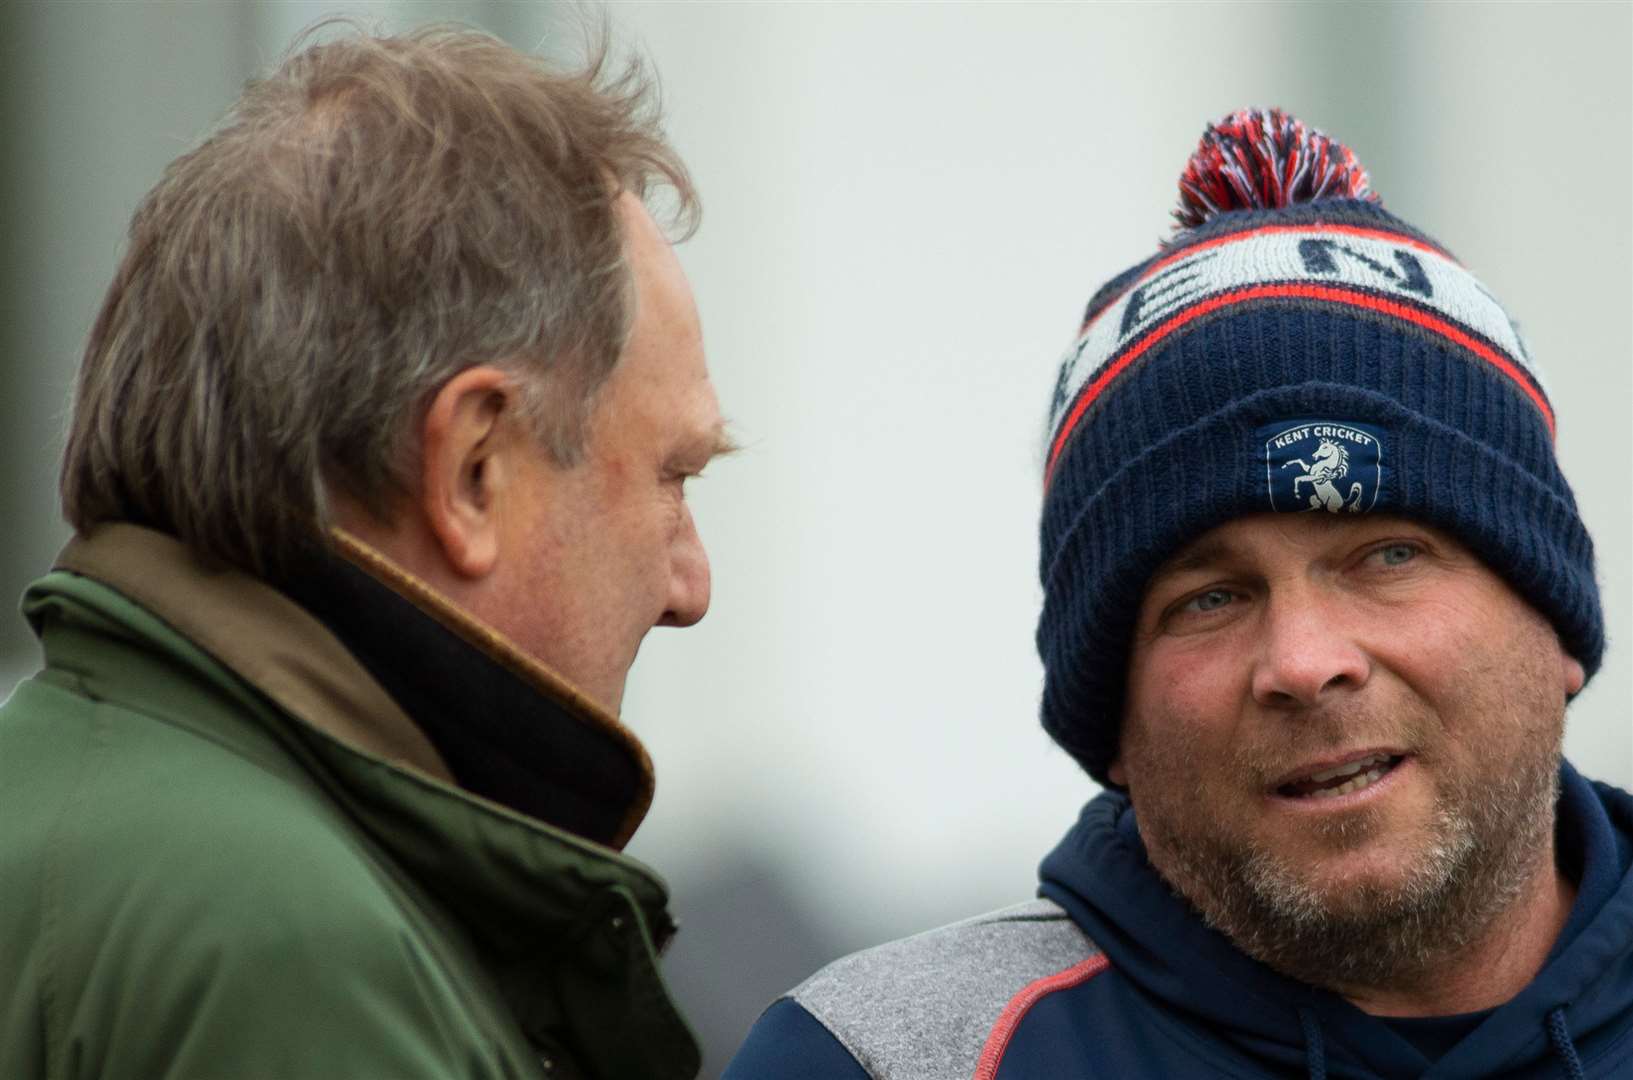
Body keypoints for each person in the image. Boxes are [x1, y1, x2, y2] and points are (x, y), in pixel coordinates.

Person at [726, 109, 1633, 1078]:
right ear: (1110, 720)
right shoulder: (888, 1061)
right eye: (1210, 598)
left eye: (1387, 554)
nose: (1303, 661)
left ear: (1553, 617)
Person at [0, 23, 732, 1080]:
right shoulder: (293, 944)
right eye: (674, 477)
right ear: (473, 469)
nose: (691, 585)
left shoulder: (66, 806)